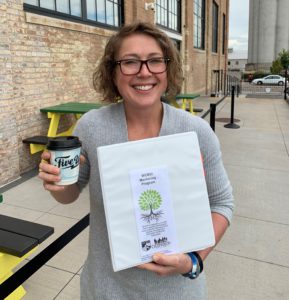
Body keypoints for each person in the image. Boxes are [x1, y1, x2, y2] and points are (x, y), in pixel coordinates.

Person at [39, 22, 234, 299]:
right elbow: (70, 194)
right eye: (130, 62)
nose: (144, 72)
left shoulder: (195, 131)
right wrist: (58, 185)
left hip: (177, 291)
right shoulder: (91, 127)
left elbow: (222, 203)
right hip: (106, 288)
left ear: (168, 69)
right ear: (113, 71)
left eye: (155, 61)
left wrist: (193, 261)